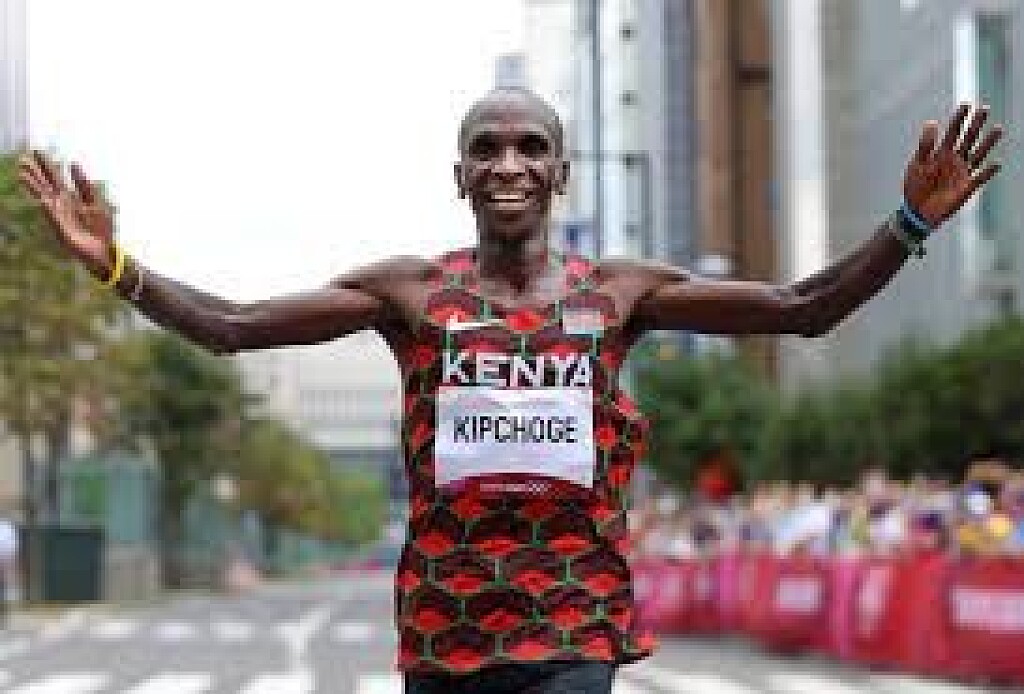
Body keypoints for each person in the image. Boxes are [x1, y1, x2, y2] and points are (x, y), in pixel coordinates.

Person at [17, 90, 1002, 693]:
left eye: (530, 147)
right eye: (486, 149)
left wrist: (908, 225)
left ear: (560, 171)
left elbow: (802, 307)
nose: (508, 164)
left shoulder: (616, 293)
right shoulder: (409, 293)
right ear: (459, 175)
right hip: (442, 627)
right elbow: (232, 324)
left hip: (575, 619)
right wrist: (118, 268)